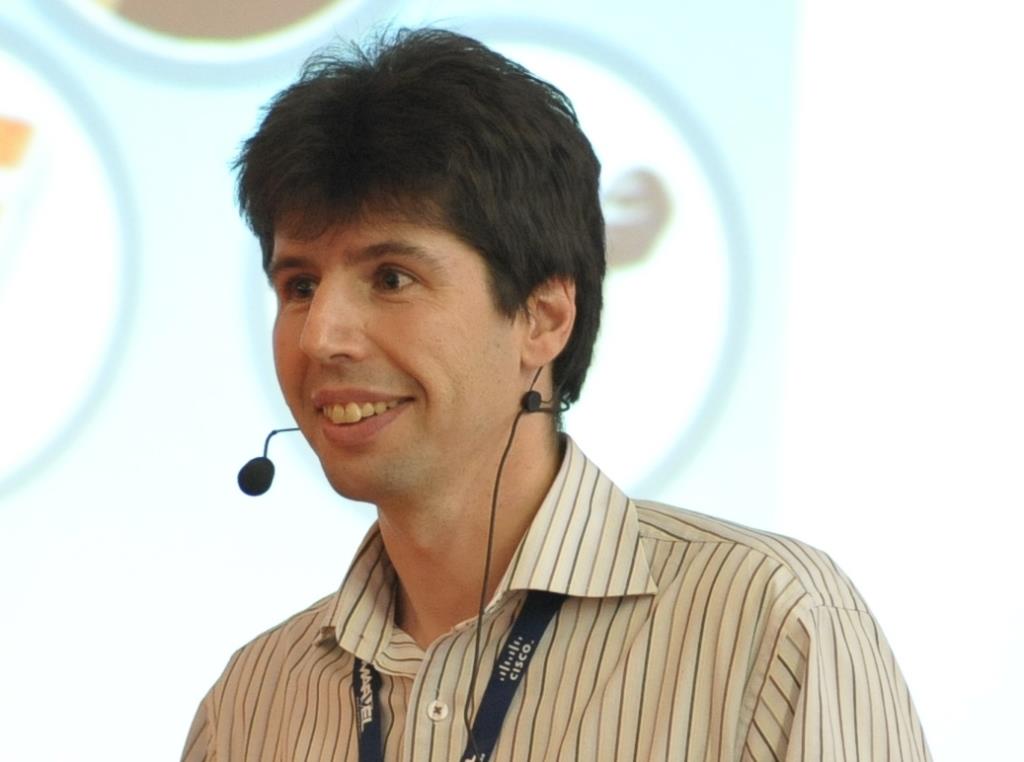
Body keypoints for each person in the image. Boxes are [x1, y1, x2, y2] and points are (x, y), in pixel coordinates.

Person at [182, 28, 931, 762]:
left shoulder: (771, 625)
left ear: (543, 318)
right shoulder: (251, 704)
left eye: (392, 278)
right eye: (300, 286)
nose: (321, 337)